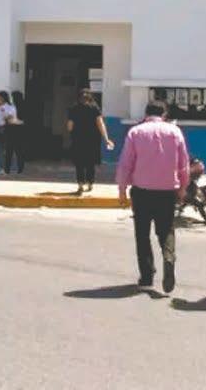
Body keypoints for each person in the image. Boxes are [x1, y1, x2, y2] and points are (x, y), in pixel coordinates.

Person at [116, 101, 190, 294]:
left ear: (146, 113)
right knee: (166, 229)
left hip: (142, 191)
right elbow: (183, 164)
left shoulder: (135, 132)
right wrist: (183, 188)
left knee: (142, 233)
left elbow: (126, 163)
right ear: (164, 114)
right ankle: (168, 256)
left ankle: (147, 276)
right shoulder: (175, 132)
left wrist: (122, 189)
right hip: (167, 191)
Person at [66, 89, 114, 193]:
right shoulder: (94, 108)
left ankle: (80, 184)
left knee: (79, 163)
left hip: (78, 139)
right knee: (90, 163)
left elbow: (70, 126)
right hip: (92, 140)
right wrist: (106, 139)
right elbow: (100, 124)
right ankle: (90, 183)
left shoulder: (74, 108)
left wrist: (71, 134)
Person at [0, 91, 18, 175]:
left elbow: (11, 118)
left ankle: (5, 169)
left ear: (2, 98)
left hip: (4, 130)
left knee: (4, 151)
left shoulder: (10, 108)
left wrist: (4, 112)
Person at [5, 91, 27, 175]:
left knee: (10, 152)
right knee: (18, 152)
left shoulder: (15, 107)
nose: (12, 99)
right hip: (18, 133)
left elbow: (20, 120)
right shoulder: (19, 107)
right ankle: (19, 169)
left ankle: (7, 169)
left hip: (14, 132)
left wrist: (13, 121)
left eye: (13, 97)